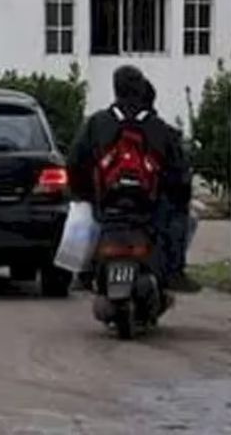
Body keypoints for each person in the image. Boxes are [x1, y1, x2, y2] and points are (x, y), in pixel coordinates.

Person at [66, 65, 201, 294]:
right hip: (148, 211)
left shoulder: (97, 123)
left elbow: (75, 162)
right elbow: (179, 175)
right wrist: (178, 199)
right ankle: (175, 273)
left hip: (106, 207)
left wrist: (85, 195)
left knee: (82, 218)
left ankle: (84, 273)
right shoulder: (161, 129)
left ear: (115, 88)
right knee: (183, 216)